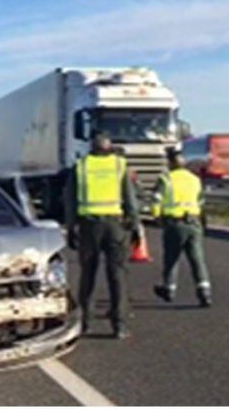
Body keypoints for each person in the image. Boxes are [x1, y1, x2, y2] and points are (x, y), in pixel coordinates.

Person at [65, 131, 142, 339]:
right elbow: (130, 199)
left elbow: (70, 201)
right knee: (117, 275)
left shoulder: (81, 166)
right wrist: (135, 225)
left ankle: (85, 323)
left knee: (87, 275)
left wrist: (71, 227)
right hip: (115, 226)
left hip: (89, 227)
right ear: (110, 147)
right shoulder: (119, 165)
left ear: (91, 147)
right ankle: (120, 325)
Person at [151, 146, 212, 307]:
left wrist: (157, 217)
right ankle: (204, 292)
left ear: (170, 163)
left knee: (171, 259)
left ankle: (169, 289)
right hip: (194, 222)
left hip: (174, 224)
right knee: (197, 260)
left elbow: (156, 200)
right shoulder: (194, 179)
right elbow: (201, 202)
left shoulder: (165, 179)